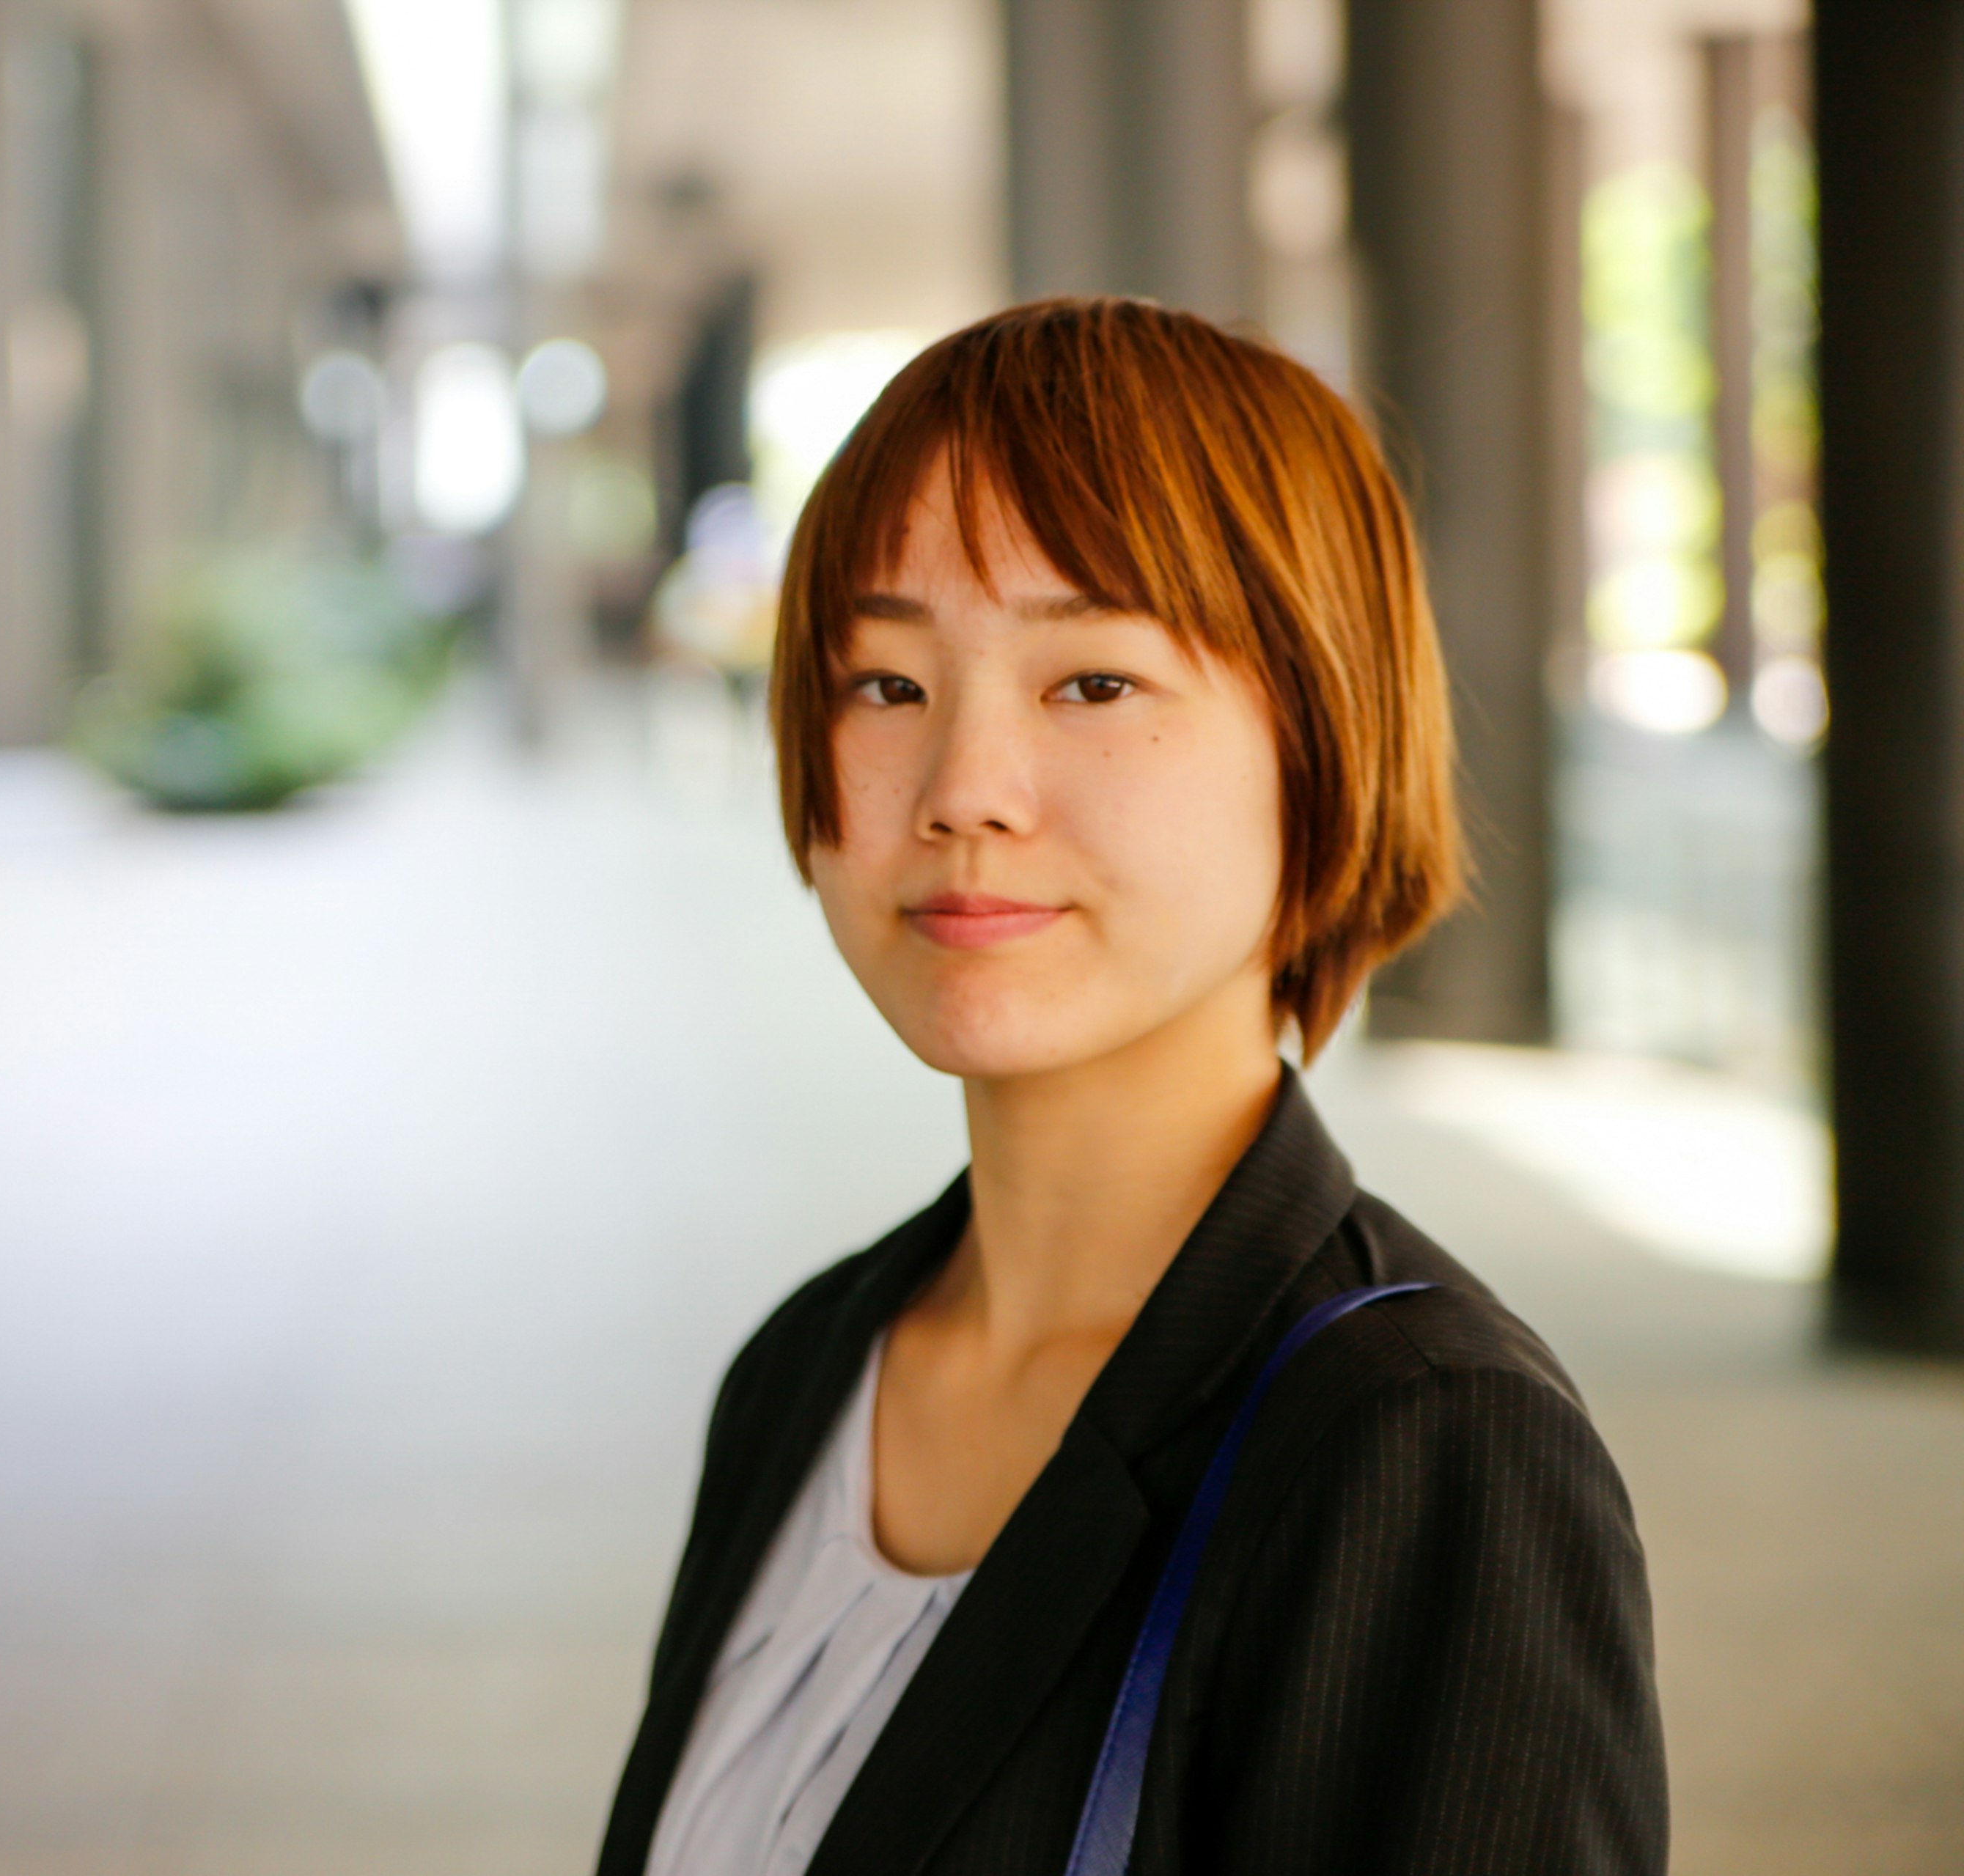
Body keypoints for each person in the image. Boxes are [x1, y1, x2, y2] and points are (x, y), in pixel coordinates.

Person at [595, 299, 1664, 1876]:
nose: (963, 789)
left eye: (1091, 681)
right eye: (884, 682)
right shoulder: (811, 1367)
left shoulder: (1424, 1448)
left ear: (1322, 734)